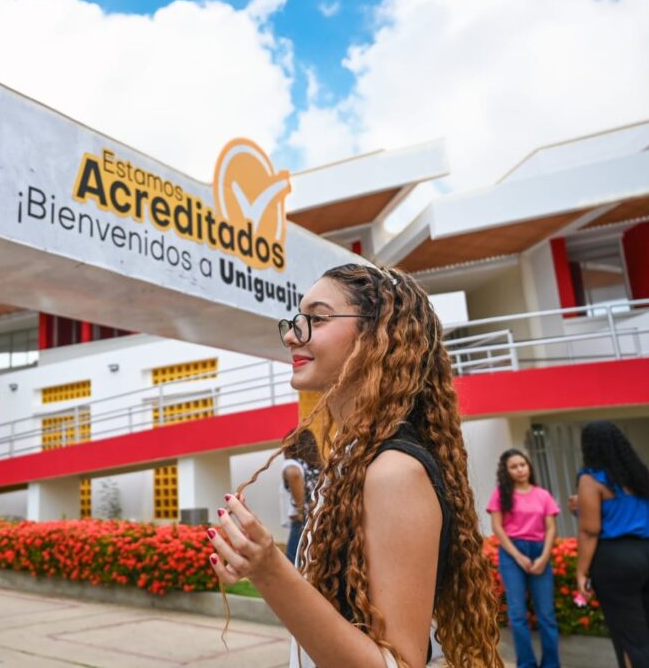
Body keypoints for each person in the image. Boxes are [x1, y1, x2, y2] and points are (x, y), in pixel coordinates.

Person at [208, 264, 503, 667]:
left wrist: (271, 571)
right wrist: (256, 565)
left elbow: (398, 663)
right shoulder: (352, 460)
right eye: (296, 321)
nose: (293, 335)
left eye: (317, 318)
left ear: (378, 334)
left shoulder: (393, 471)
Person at [575, 421, 649, 668]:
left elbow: (590, 530)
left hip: (618, 558)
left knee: (631, 639)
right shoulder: (640, 475)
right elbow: (644, 513)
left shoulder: (591, 478)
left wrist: (581, 572)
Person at [487, 449, 560, 668]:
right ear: (506, 471)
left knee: (546, 615)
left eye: (523, 465)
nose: (520, 470)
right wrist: (518, 557)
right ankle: (526, 664)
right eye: (514, 467)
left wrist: (543, 558)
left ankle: (551, 664)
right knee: (517, 615)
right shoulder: (500, 494)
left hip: (540, 552)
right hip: (512, 553)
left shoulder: (542, 495)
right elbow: (497, 529)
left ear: (529, 466)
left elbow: (551, 528)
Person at [281, 428, 321, 563]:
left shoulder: (291, 463)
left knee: (293, 564)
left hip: (301, 520)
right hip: (319, 519)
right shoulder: (317, 467)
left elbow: (294, 474)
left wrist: (300, 508)